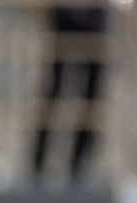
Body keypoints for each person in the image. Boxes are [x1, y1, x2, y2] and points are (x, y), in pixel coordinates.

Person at [32, 4, 110, 181]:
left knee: (91, 100)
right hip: (66, 17)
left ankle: (79, 166)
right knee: (52, 93)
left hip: (93, 23)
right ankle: (37, 165)